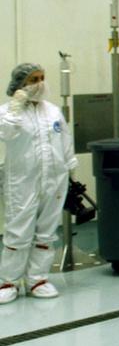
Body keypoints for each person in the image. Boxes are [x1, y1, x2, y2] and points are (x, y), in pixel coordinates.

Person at [1, 63, 77, 303]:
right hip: (22, 181)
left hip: (54, 179)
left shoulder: (53, 111)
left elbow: (65, 140)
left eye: (42, 78)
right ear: (20, 83)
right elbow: (5, 134)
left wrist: (70, 170)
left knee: (46, 231)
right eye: (34, 79)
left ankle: (38, 280)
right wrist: (15, 107)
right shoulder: (8, 112)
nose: (40, 83)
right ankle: (9, 281)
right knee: (18, 231)